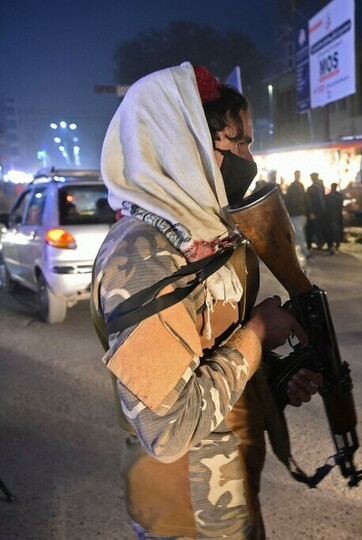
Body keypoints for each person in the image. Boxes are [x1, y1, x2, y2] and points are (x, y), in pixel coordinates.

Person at [91, 63, 322, 539]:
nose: (248, 159)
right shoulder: (142, 257)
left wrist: (276, 377)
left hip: (231, 490)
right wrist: (258, 334)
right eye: (237, 144)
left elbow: (212, 353)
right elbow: (168, 430)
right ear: (184, 145)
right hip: (187, 514)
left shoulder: (213, 237)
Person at [284, 170, 311, 260]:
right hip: (299, 213)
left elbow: (287, 200)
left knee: (298, 234)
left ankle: (300, 252)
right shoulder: (300, 186)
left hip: (296, 213)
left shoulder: (293, 186)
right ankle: (303, 251)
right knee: (299, 233)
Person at [306, 172, 328, 250]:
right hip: (316, 211)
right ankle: (310, 244)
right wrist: (311, 212)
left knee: (319, 228)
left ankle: (319, 243)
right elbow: (309, 202)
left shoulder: (320, 188)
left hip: (320, 212)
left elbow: (323, 199)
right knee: (312, 228)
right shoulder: (311, 189)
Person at [325, 182, 345, 254]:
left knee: (331, 231)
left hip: (330, 216)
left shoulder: (328, 196)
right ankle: (336, 245)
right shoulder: (339, 196)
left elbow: (325, 206)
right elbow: (341, 205)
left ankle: (331, 246)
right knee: (336, 231)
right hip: (337, 215)